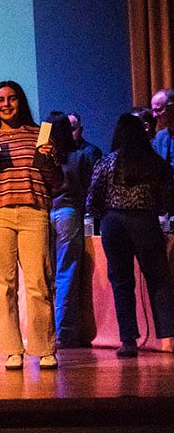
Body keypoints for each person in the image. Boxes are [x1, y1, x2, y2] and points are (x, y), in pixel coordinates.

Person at [0, 81, 61, 370]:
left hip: (33, 211)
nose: (6, 104)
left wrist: (48, 160)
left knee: (39, 282)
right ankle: (12, 349)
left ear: (20, 101)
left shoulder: (40, 135)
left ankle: (44, 347)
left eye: (11, 99)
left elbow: (56, 182)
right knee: (4, 285)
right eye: (0, 100)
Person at [86, 113, 174, 357]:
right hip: (145, 221)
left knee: (122, 282)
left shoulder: (106, 162)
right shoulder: (154, 162)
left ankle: (128, 341)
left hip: (114, 222)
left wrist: (101, 216)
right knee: (158, 279)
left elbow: (93, 198)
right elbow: (168, 197)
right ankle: (169, 338)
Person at [47, 111, 97, 349]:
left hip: (46, 214)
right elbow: (89, 190)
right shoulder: (79, 157)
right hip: (69, 214)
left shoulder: (44, 159)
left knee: (48, 275)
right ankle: (65, 333)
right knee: (66, 274)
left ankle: (47, 332)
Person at [151, 90, 174, 167]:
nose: (154, 115)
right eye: (153, 111)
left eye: (158, 110)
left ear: (172, 108)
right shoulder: (160, 137)